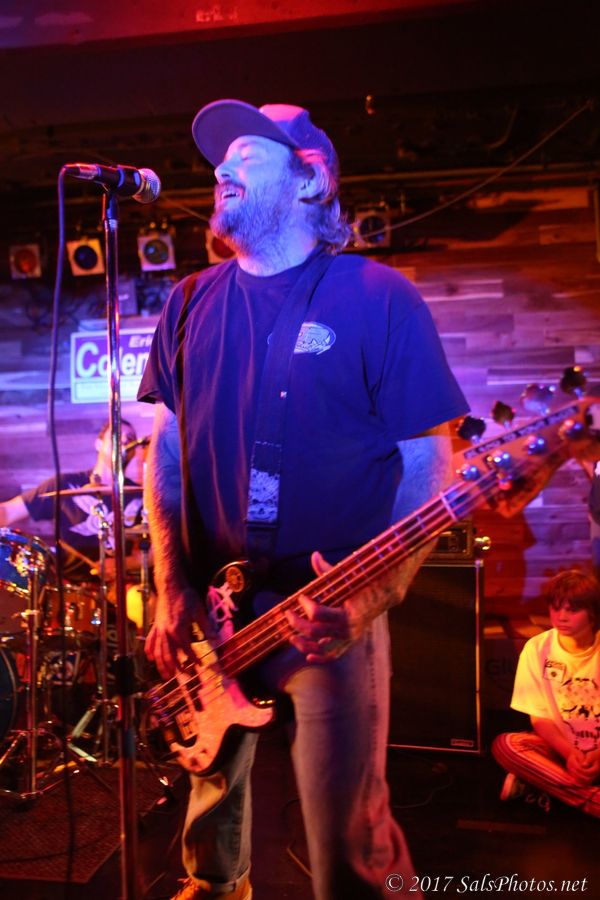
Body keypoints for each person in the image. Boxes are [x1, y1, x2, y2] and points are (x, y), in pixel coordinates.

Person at [137, 99, 469, 900]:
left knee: (350, 854)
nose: (221, 168)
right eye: (220, 159)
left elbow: (430, 463)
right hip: (215, 617)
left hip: (328, 614)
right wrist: (171, 587)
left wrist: (369, 599)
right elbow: (166, 454)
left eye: (247, 154)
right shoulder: (187, 302)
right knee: (209, 855)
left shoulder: (379, 296)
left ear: (311, 180)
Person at [492, 569, 600, 817]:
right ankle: (590, 799)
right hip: (562, 748)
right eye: (555, 608)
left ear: (593, 614)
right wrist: (570, 754)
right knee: (507, 745)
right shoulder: (537, 648)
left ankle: (542, 784)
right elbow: (540, 718)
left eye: (572, 610)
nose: (561, 617)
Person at [0, 419, 145, 583]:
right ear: (98, 444)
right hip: (69, 588)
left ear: (134, 451)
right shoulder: (64, 485)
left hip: (120, 587)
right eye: (117, 435)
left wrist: (126, 564)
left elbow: (158, 549)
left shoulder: (140, 495)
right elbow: (7, 512)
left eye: (130, 438)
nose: (124, 440)